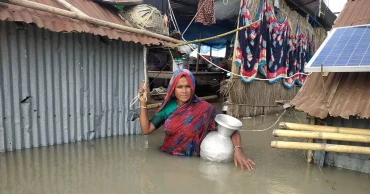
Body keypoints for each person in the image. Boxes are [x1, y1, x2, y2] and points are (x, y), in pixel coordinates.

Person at [138, 69, 255, 170]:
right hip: (166, 160)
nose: (184, 91)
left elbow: (232, 129)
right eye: (179, 87)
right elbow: (146, 129)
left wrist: (238, 150)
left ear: (193, 87)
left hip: (191, 165)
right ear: (173, 89)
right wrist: (143, 102)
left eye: (188, 86)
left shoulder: (205, 109)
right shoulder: (168, 108)